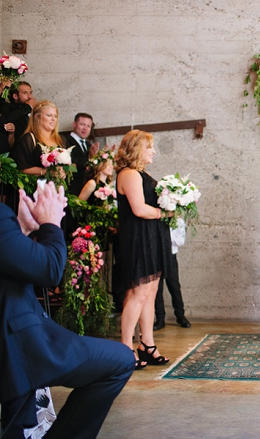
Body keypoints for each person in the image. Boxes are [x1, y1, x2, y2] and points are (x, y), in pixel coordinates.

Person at [0, 181, 134, 438]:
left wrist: (21, 230)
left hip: (15, 338)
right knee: (120, 360)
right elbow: (50, 270)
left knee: (19, 422)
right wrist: (51, 224)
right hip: (18, 343)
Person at [115, 130, 171, 369]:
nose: (153, 151)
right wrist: (165, 213)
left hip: (149, 238)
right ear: (137, 148)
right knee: (138, 294)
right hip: (137, 239)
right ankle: (126, 347)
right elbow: (138, 209)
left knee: (150, 293)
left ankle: (146, 344)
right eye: (149, 147)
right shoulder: (128, 174)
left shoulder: (141, 173)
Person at [10, 100, 67, 178]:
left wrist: (64, 172)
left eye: (55, 116)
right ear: (37, 117)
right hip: (37, 186)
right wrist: (47, 172)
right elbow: (23, 169)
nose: (53, 119)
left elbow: (69, 165)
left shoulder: (61, 139)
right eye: (49, 115)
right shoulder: (29, 139)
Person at [154, 218, 192, 331]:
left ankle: (180, 316)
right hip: (157, 255)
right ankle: (160, 319)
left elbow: (180, 241)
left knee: (174, 286)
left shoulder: (178, 221)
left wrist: (165, 236)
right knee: (157, 288)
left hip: (170, 255)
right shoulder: (156, 220)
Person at [63, 113, 99, 196]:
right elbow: (71, 163)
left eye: (88, 126)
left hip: (88, 190)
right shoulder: (65, 141)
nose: (85, 129)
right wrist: (89, 158)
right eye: (82, 124)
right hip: (73, 191)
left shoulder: (88, 145)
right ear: (74, 124)